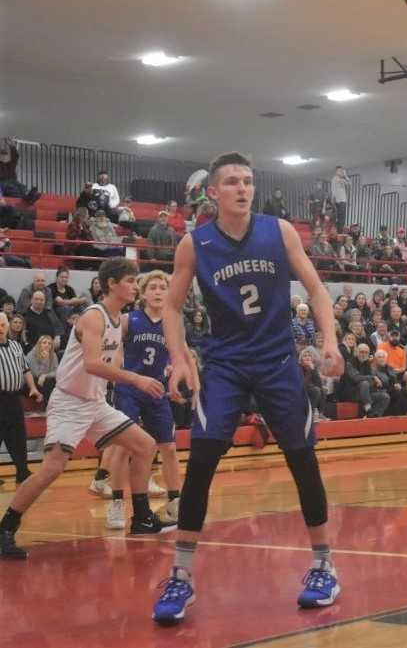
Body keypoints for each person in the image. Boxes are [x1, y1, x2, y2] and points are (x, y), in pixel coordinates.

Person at [152, 152, 345, 624]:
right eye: (233, 182)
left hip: (278, 361)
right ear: (213, 193)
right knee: (201, 463)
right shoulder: (194, 243)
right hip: (225, 365)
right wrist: (180, 358)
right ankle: (181, 575)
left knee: (302, 459)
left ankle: (324, 565)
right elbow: (173, 307)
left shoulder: (277, 231)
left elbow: (317, 289)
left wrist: (330, 341)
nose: (243, 188)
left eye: (248, 181)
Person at [0, 258, 172, 560]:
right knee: (52, 468)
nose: (135, 286)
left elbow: (110, 363)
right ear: (111, 284)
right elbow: (92, 363)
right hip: (70, 402)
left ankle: (142, 517)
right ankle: (6, 528)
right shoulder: (94, 316)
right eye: (130, 281)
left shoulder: (120, 319)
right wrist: (136, 379)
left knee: (144, 446)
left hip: (95, 402)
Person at [102, 271, 187, 531]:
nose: (159, 291)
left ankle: (176, 502)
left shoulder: (173, 324)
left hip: (157, 389)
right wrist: (116, 375)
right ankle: (117, 502)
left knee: (169, 448)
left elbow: (181, 355)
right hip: (130, 387)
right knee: (123, 448)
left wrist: (175, 372)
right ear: (143, 292)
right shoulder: (129, 320)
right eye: (154, 287)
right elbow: (115, 349)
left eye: (163, 287)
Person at [0, 313, 44, 486]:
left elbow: (25, 370)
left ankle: (22, 472)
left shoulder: (15, 346)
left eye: (3, 325)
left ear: (7, 326)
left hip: (13, 398)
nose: (0, 329)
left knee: (18, 436)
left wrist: (32, 387)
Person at [24, 334, 58, 405]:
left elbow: (57, 372)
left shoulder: (53, 355)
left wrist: (45, 375)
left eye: (49, 343)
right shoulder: (31, 355)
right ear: (39, 344)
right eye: (44, 342)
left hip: (45, 380)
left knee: (51, 381)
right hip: (32, 382)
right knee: (49, 382)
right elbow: (37, 374)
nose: (47, 345)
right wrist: (45, 360)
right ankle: (48, 404)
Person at [331, 166, 350, 231]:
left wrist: (345, 175)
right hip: (338, 201)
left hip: (343, 200)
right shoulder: (335, 179)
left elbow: (349, 184)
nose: (341, 172)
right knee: (339, 218)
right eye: (339, 171)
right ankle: (338, 231)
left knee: (342, 218)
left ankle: (340, 231)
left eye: (341, 171)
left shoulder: (342, 179)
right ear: (336, 172)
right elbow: (333, 189)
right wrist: (333, 199)